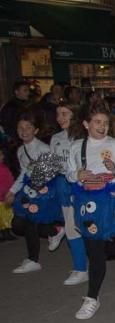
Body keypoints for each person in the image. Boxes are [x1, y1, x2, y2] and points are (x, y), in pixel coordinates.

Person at [65, 102, 115, 319]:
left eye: (106, 123)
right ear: (86, 124)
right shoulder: (76, 146)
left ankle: (92, 296)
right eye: (97, 122)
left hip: (111, 201)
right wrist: (77, 175)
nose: (102, 126)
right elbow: (69, 173)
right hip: (86, 202)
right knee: (95, 250)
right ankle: (93, 297)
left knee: (105, 244)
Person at [6, 113, 62, 274]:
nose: (24, 131)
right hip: (31, 190)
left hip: (45, 192)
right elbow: (24, 174)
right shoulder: (21, 150)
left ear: (36, 130)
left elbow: (52, 172)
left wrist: (35, 180)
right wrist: (12, 191)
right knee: (19, 224)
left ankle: (33, 259)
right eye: (20, 127)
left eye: (28, 127)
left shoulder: (43, 148)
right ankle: (54, 230)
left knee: (30, 222)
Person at [49, 102, 89, 285]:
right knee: (72, 226)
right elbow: (51, 164)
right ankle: (81, 268)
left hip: (82, 185)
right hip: (63, 185)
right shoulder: (56, 138)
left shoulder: (83, 137)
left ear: (75, 115)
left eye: (65, 114)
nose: (60, 118)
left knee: (89, 226)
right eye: (58, 114)